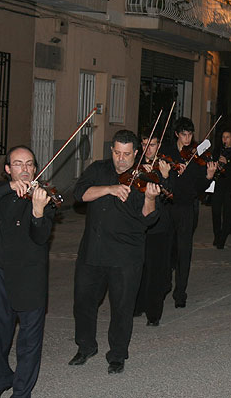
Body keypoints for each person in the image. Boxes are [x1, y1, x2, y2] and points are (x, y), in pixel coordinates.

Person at [69, 130, 160, 374]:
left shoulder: (145, 177)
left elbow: (149, 219)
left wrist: (150, 198)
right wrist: (109, 188)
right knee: (84, 302)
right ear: (112, 151)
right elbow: (79, 194)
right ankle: (85, 346)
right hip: (93, 251)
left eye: (127, 154)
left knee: (122, 308)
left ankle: (117, 354)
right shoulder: (98, 170)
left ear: (136, 153)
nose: (121, 159)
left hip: (125, 256)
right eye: (117, 153)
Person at [0, 146, 55, 398]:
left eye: (30, 164)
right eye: (18, 164)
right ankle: (1, 380)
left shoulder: (43, 196)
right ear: (8, 170)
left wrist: (39, 211)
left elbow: (41, 238)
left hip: (29, 277)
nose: (25, 169)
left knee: (29, 343)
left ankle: (21, 393)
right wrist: (7, 189)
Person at [161, 118, 217, 308]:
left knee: (184, 251)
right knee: (167, 249)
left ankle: (180, 293)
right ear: (177, 134)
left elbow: (199, 187)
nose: (187, 139)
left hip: (186, 207)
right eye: (184, 134)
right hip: (167, 206)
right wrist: (172, 173)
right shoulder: (167, 152)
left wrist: (208, 177)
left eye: (190, 135)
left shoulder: (196, 155)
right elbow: (160, 178)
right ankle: (165, 283)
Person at [133, 132, 173, 327]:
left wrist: (164, 178)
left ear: (159, 146)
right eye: (145, 144)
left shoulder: (164, 166)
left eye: (153, 144)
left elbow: (169, 196)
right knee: (138, 267)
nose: (148, 148)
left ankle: (153, 313)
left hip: (159, 225)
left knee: (155, 271)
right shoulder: (135, 164)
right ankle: (137, 305)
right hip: (138, 224)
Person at [212, 130, 231, 249]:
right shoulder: (217, 150)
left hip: (230, 185)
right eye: (223, 137)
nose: (225, 140)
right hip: (218, 184)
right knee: (215, 210)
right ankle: (217, 234)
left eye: (227, 137)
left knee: (227, 212)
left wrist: (227, 163)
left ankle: (222, 238)